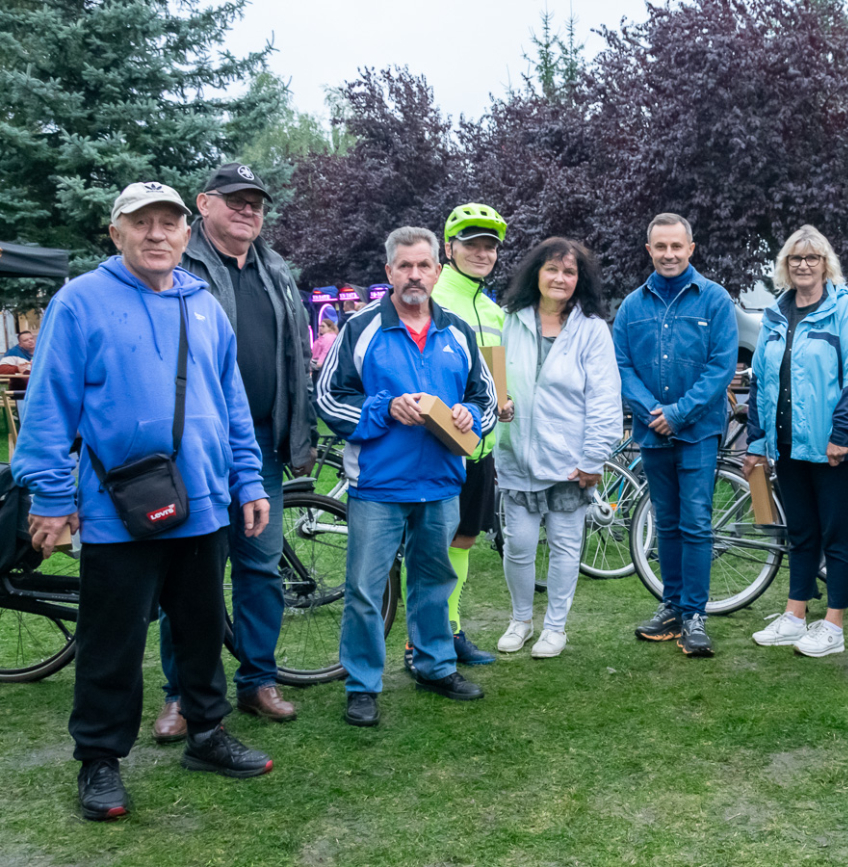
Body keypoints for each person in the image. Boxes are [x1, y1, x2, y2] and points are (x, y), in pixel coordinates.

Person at [13, 182, 273, 821]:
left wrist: (249, 480)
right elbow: (48, 408)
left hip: (206, 503)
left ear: (187, 234)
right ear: (117, 233)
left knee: (201, 626)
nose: (157, 235)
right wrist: (49, 495)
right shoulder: (79, 303)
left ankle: (206, 733)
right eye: (142, 223)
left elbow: (231, 404)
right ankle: (99, 761)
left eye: (169, 223)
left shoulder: (203, 303)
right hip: (115, 508)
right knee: (113, 640)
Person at [152, 163, 316, 741]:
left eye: (257, 203)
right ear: (204, 204)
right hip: (195, 454)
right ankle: (180, 694)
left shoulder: (276, 269)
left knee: (259, 570)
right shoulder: (177, 264)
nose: (249, 210)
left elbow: (298, 358)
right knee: (189, 577)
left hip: (264, 450)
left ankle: (258, 681)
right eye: (236, 200)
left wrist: (301, 434)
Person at [316, 226, 497, 727]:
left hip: (440, 480)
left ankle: (434, 665)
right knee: (366, 589)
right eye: (405, 266)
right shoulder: (360, 329)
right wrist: (382, 408)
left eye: (424, 266)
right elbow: (328, 398)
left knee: (434, 581)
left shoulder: (457, 331)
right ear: (389, 271)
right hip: (378, 483)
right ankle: (362, 684)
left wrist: (467, 417)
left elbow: (484, 400)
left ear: (439, 271)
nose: (415, 275)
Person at [742, 225, 848, 657]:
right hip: (788, 447)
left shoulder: (844, 310)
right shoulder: (777, 316)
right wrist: (758, 443)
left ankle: (833, 626)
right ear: (785, 266)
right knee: (801, 533)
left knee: (836, 536)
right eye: (795, 259)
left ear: (825, 265)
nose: (803, 265)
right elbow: (761, 380)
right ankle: (795, 616)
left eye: (812, 258)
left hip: (835, 448)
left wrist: (841, 435)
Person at [613, 213, 739, 657]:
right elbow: (623, 365)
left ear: (691, 248)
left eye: (676, 246)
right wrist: (653, 413)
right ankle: (672, 607)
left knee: (697, 522)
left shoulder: (715, 300)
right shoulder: (631, 307)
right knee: (665, 522)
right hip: (653, 433)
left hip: (698, 432)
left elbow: (722, 366)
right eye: (660, 247)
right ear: (649, 250)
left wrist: (679, 413)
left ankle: (696, 615)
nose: (669, 254)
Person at [494, 238, 622, 658]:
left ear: (579, 280)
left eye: (569, 272)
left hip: (571, 463)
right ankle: (521, 619)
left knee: (566, 548)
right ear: (537, 273)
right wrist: (499, 405)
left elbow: (605, 399)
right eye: (552, 269)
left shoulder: (592, 330)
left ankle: (556, 627)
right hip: (517, 457)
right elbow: (490, 377)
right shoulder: (509, 321)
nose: (560, 278)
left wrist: (592, 459)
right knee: (519, 546)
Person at [427, 203, 510, 666]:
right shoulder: (436, 296)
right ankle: (422, 640)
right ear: (450, 247)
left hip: (481, 448)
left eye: (490, 246)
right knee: (432, 548)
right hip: (440, 447)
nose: (482, 253)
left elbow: (495, 372)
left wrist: (505, 398)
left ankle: (450, 629)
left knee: (463, 540)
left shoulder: (490, 308)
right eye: (472, 244)